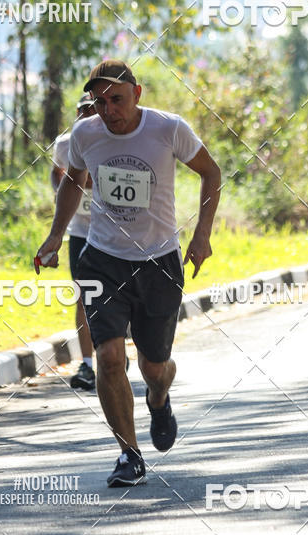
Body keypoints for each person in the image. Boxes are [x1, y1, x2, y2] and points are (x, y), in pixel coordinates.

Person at [35, 60, 221, 487]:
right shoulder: (85, 134)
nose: (108, 110)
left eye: (116, 99)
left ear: (137, 94)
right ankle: (129, 454)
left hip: (159, 262)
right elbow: (73, 182)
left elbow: (211, 172)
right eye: (100, 102)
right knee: (110, 357)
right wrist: (55, 235)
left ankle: (159, 396)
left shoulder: (168, 129)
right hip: (103, 259)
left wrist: (202, 235)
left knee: (154, 367)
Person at [52, 93, 97, 390]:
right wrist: (64, 194)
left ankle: (113, 348)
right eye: (83, 111)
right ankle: (88, 364)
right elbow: (57, 172)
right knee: (84, 296)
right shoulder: (65, 144)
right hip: (81, 231)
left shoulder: (119, 140)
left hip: (117, 233)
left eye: (93, 110)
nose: (89, 115)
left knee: (118, 297)